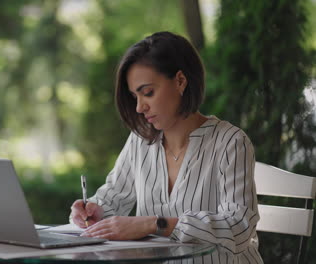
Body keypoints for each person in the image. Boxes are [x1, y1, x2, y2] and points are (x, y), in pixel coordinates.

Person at [70, 32, 263, 263]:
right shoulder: (140, 140)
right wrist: (93, 211)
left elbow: (239, 227)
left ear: (180, 81)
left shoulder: (230, 142)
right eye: (134, 97)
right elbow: (112, 198)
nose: (140, 107)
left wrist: (155, 224)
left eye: (148, 93)